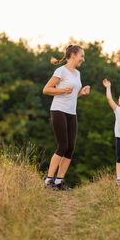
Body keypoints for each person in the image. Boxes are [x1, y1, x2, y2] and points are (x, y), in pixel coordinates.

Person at [43, 45, 90, 190]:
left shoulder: (78, 73)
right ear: (74, 55)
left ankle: (59, 181)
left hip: (71, 112)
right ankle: (49, 180)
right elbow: (46, 90)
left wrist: (81, 93)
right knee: (62, 146)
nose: (83, 58)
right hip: (58, 110)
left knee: (70, 148)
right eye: (81, 55)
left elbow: (72, 94)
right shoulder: (61, 70)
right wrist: (62, 90)